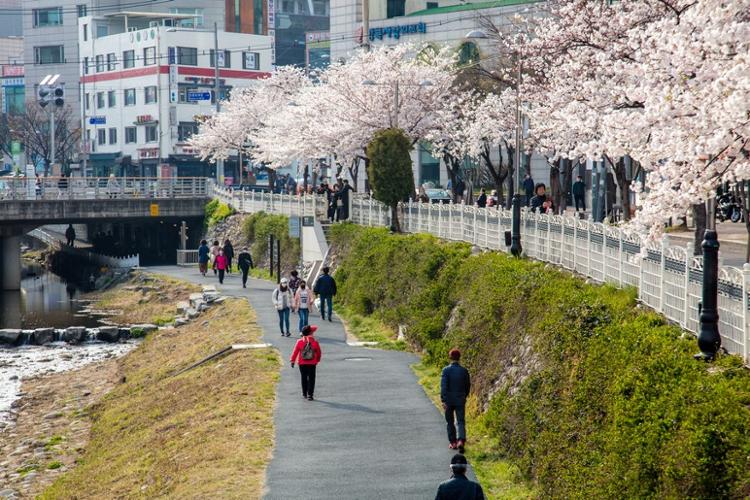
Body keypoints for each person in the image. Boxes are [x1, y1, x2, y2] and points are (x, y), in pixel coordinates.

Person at [441, 348, 471, 452]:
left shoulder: (446, 370)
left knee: (450, 422)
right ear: (459, 358)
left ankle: (453, 442)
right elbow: (467, 385)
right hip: (460, 399)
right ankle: (461, 441)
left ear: (450, 357)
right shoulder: (464, 371)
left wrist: (443, 400)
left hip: (448, 400)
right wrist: (465, 396)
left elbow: (443, 386)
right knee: (461, 421)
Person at [290, 325, 322, 400]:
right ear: (311, 333)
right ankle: (310, 394)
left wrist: (292, 360)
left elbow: (295, 352)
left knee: (303, 377)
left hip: (302, 363)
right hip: (312, 363)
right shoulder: (315, 342)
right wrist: (317, 360)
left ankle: (304, 393)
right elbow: (319, 352)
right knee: (311, 378)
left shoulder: (299, 342)